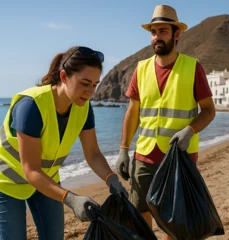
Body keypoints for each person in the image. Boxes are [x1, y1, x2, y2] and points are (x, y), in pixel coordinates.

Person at [0, 46, 128, 239]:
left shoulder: (83, 108)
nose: (90, 92)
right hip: (7, 182)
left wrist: (112, 179)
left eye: (94, 84)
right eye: (84, 83)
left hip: (46, 179)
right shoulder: (31, 106)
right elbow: (31, 170)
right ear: (63, 76)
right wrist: (71, 199)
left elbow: (92, 153)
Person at [115, 4, 215, 240]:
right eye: (154, 32)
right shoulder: (140, 69)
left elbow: (209, 110)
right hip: (144, 156)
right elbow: (133, 112)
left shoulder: (193, 67)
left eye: (163, 31)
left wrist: (190, 131)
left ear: (176, 34)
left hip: (179, 158)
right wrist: (123, 150)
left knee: (173, 222)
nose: (157, 37)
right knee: (140, 215)